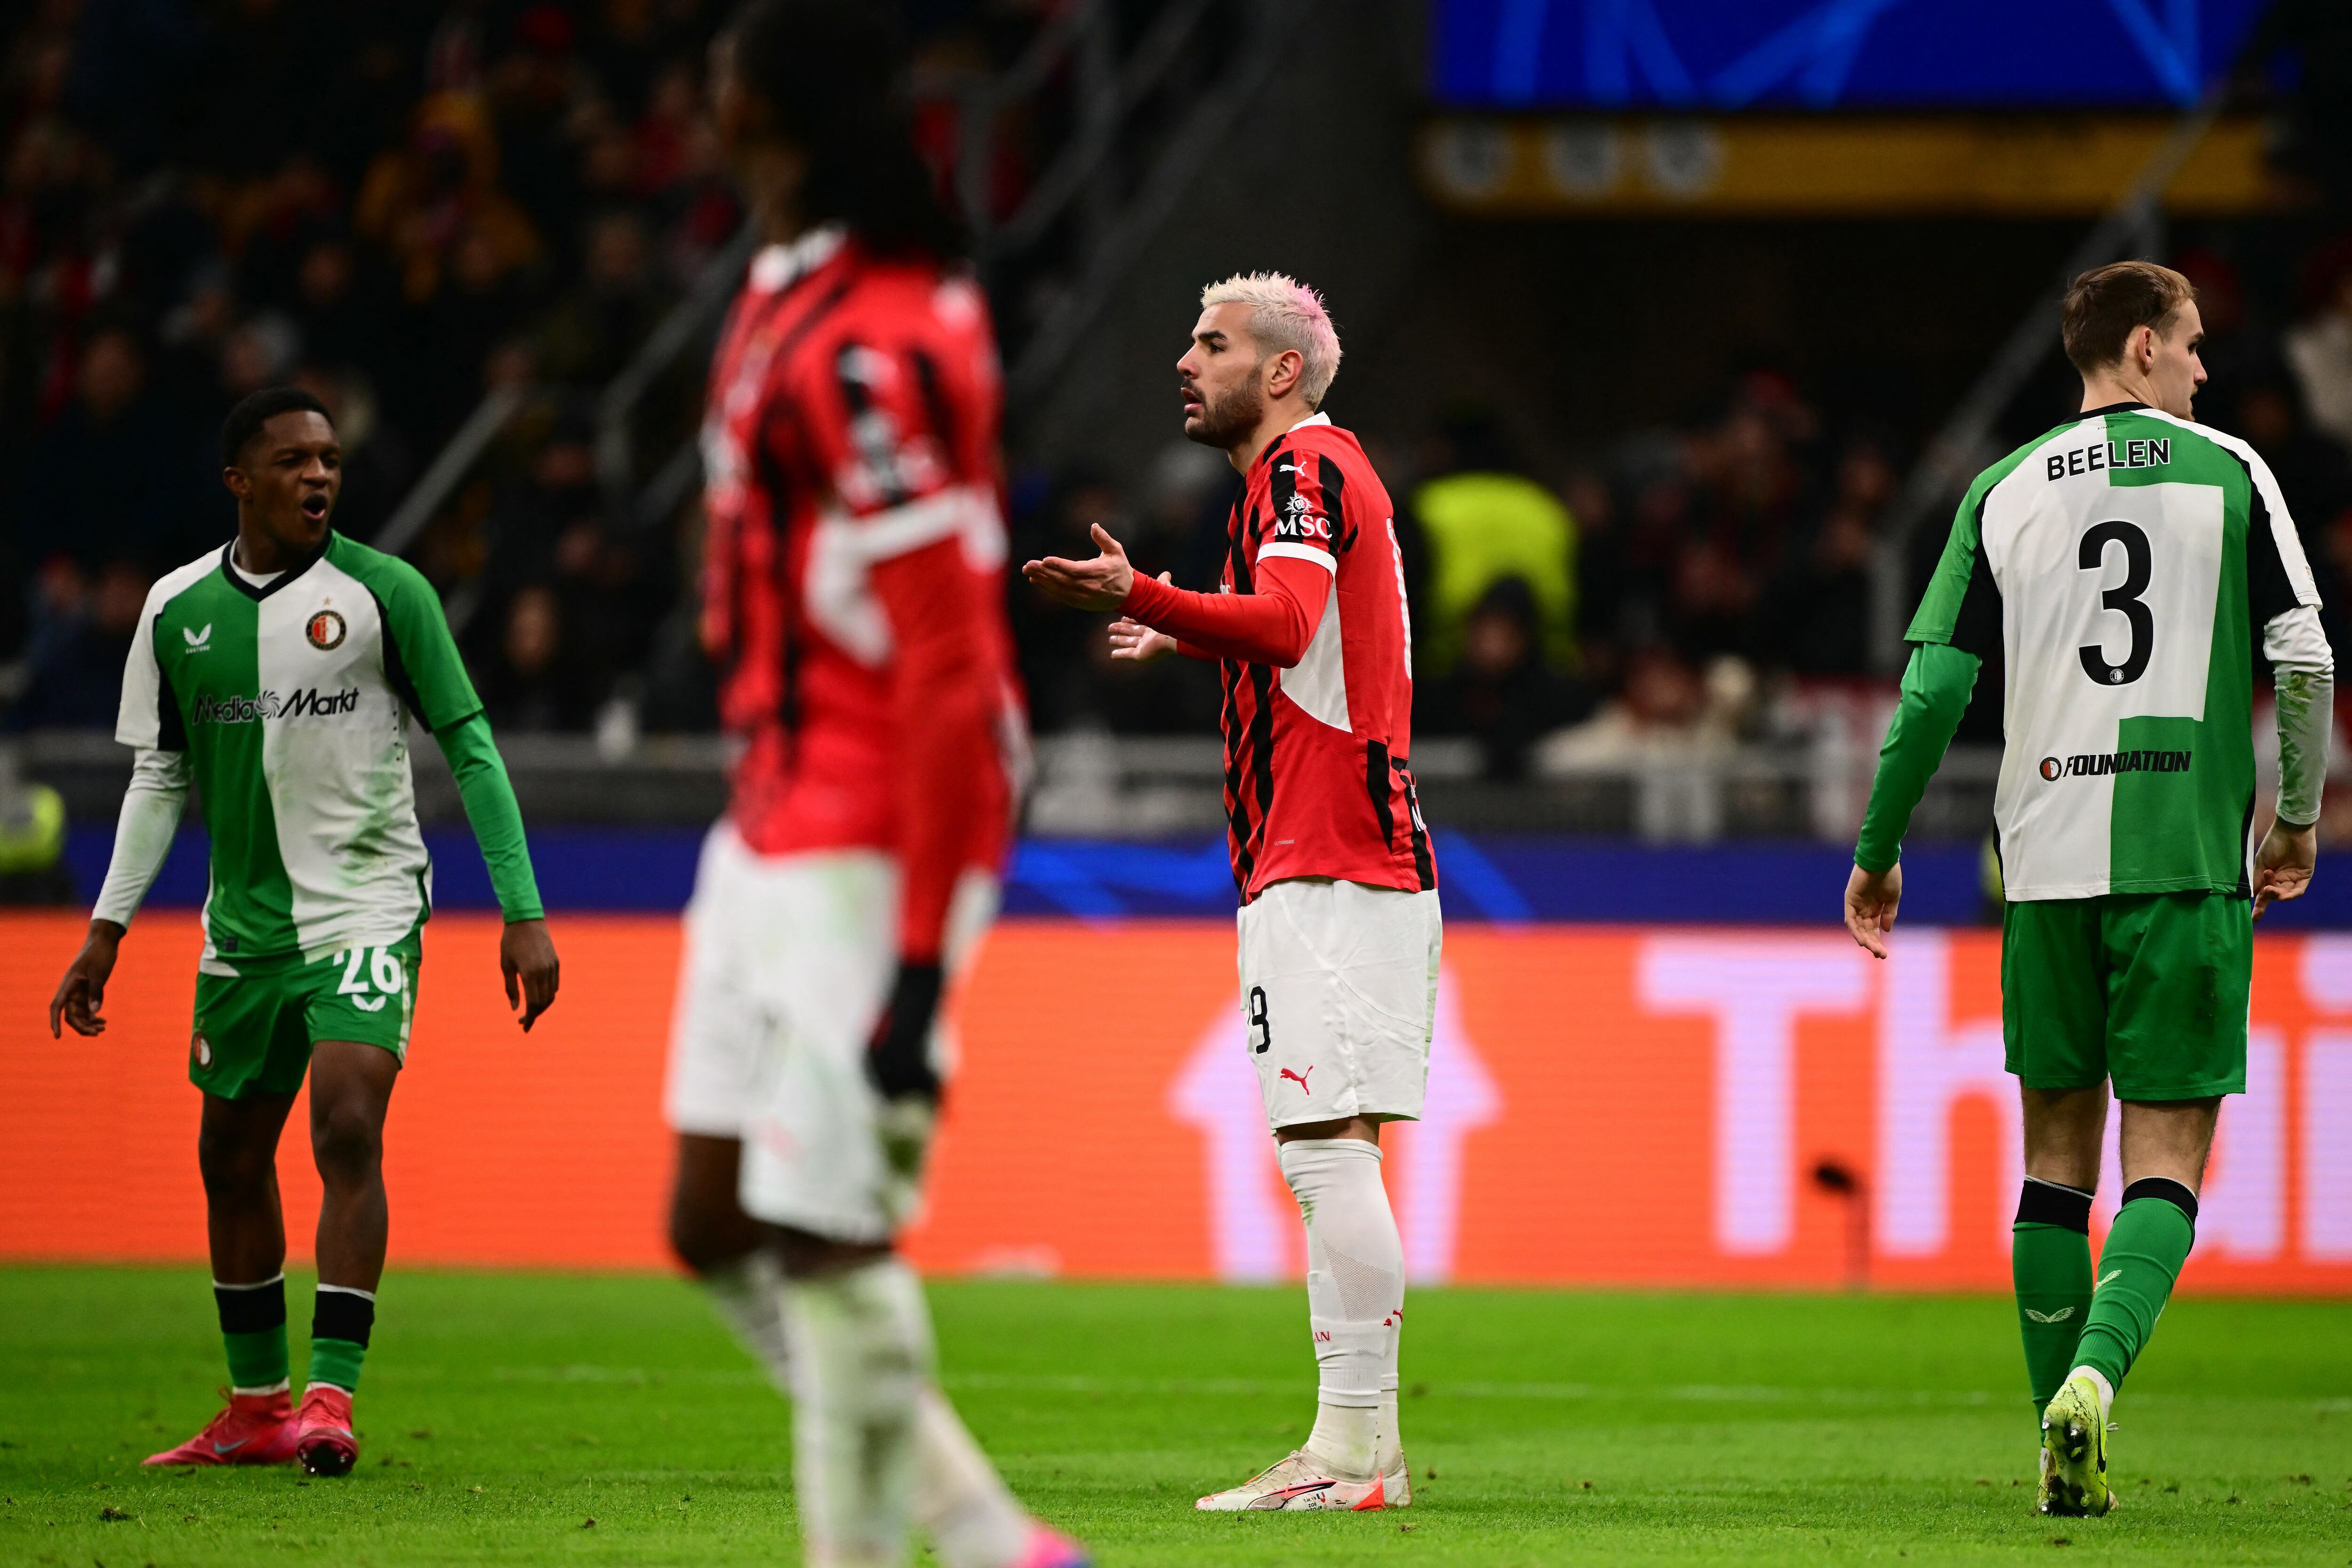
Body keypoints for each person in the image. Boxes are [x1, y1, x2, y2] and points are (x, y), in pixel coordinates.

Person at [657, 6, 1078, 1567]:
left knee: (832, 1232)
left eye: (712, 75)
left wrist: (916, 956)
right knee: (715, 1219)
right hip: (770, 805)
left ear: (759, 106)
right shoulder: (790, 290)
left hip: (876, 812)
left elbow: (955, 666)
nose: (695, 100)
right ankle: (987, 1541)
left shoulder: (871, 339)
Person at [1841, 261, 2331, 1517]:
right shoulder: (2232, 471)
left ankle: (2050, 1439)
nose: (2210, 367)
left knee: (2054, 1165)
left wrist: (1880, 846)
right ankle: (2097, 1384)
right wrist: (2293, 814)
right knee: (2166, 1160)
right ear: (2144, 344)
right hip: (2182, 860)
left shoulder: (1999, 492)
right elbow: (2304, 652)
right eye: (2196, 343)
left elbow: (1933, 695)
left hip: (2046, 864)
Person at [45, 385, 560, 1477]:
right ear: (240, 480)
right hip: (244, 930)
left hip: (367, 902)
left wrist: (522, 911)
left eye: (329, 458)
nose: (319, 476)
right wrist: (105, 930)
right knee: (228, 1154)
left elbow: (470, 744)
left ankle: (331, 1395)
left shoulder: (386, 593)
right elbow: (159, 774)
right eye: (292, 460)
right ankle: (256, 1407)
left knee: (344, 1118)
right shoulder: (176, 607)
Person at [1024, 271, 1438, 1513]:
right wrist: (1189, 627)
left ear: (1282, 370)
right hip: (1336, 848)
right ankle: (1364, 1449)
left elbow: (1287, 618)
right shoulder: (1304, 478)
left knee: (1322, 1150)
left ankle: (1353, 1451)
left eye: (1211, 343)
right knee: (1334, 1145)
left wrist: (1140, 595)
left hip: (1329, 850)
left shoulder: (1302, 471)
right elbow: (1289, 626)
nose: (1184, 361)